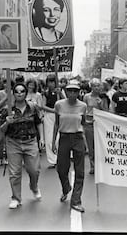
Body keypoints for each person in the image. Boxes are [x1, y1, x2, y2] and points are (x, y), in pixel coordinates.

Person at [0, 82, 44, 209]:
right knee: (14, 172)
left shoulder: (33, 107)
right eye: (17, 92)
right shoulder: (7, 109)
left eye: (22, 91)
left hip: (30, 141)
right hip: (13, 142)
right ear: (13, 94)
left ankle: (34, 186)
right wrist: (7, 123)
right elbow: (1, 130)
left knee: (34, 170)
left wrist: (42, 139)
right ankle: (16, 198)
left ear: (26, 93)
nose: (19, 94)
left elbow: (39, 122)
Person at [52, 80, 87, 213]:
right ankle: (66, 188)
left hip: (78, 137)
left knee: (80, 171)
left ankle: (76, 201)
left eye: (75, 91)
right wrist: (52, 141)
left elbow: (83, 122)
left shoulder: (83, 106)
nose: (72, 93)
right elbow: (56, 123)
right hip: (64, 137)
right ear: (65, 92)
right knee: (61, 168)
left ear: (79, 92)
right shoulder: (59, 105)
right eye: (70, 90)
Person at [40, 75, 64, 169]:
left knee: (59, 137)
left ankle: (60, 158)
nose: (51, 84)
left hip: (60, 116)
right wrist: (53, 110)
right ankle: (53, 159)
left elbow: (66, 101)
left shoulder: (60, 92)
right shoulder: (45, 93)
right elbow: (43, 105)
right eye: (49, 82)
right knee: (50, 138)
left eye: (52, 82)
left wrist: (61, 94)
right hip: (49, 116)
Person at [83, 78, 104, 175]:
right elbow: (84, 109)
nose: (96, 88)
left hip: (99, 123)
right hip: (89, 122)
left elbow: (106, 111)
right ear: (91, 87)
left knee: (99, 145)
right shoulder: (87, 97)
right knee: (90, 146)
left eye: (98, 85)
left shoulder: (102, 97)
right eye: (94, 86)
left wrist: (100, 105)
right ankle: (92, 165)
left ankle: (100, 165)